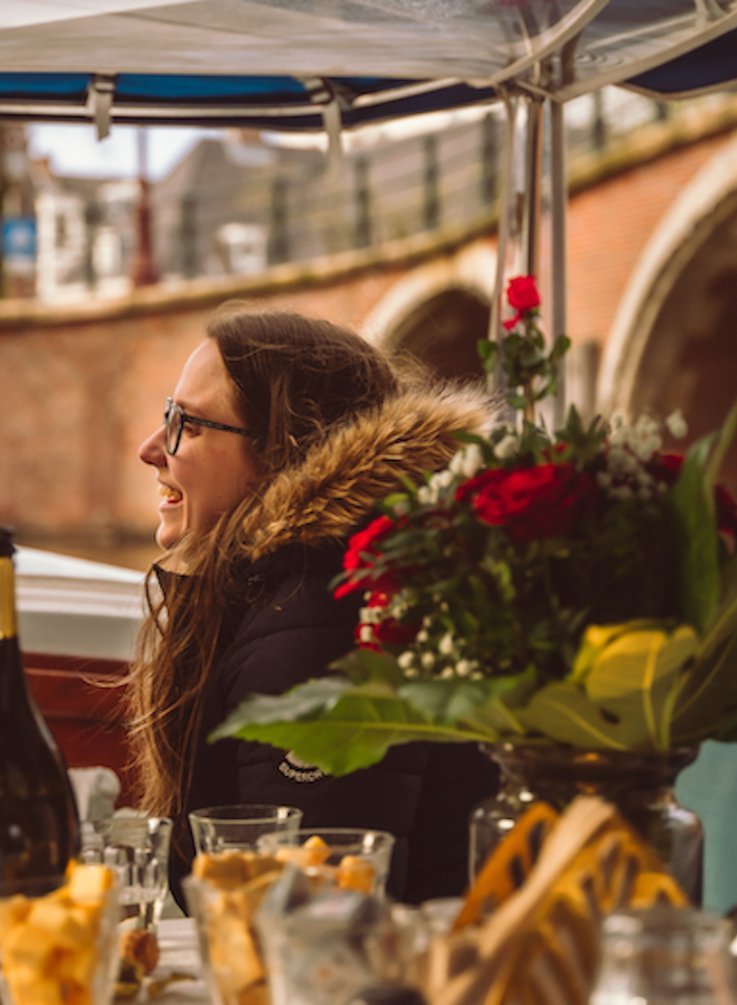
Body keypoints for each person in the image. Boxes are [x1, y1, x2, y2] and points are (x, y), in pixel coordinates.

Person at [128, 306, 501, 905]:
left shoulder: (314, 623)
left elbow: (320, 915)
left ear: (280, 451)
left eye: (188, 425)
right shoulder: (318, 586)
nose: (152, 449)